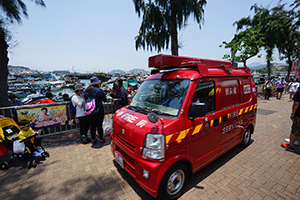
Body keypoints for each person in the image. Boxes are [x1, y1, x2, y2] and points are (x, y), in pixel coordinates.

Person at [84, 77, 107, 147]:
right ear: (97, 83)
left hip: (90, 111)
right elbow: (105, 100)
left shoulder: (86, 91)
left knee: (92, 126)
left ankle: (93, 140)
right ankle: (101, 139)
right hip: (99, 111)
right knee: (99, 126)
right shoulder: (99, 91)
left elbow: (85, 99)